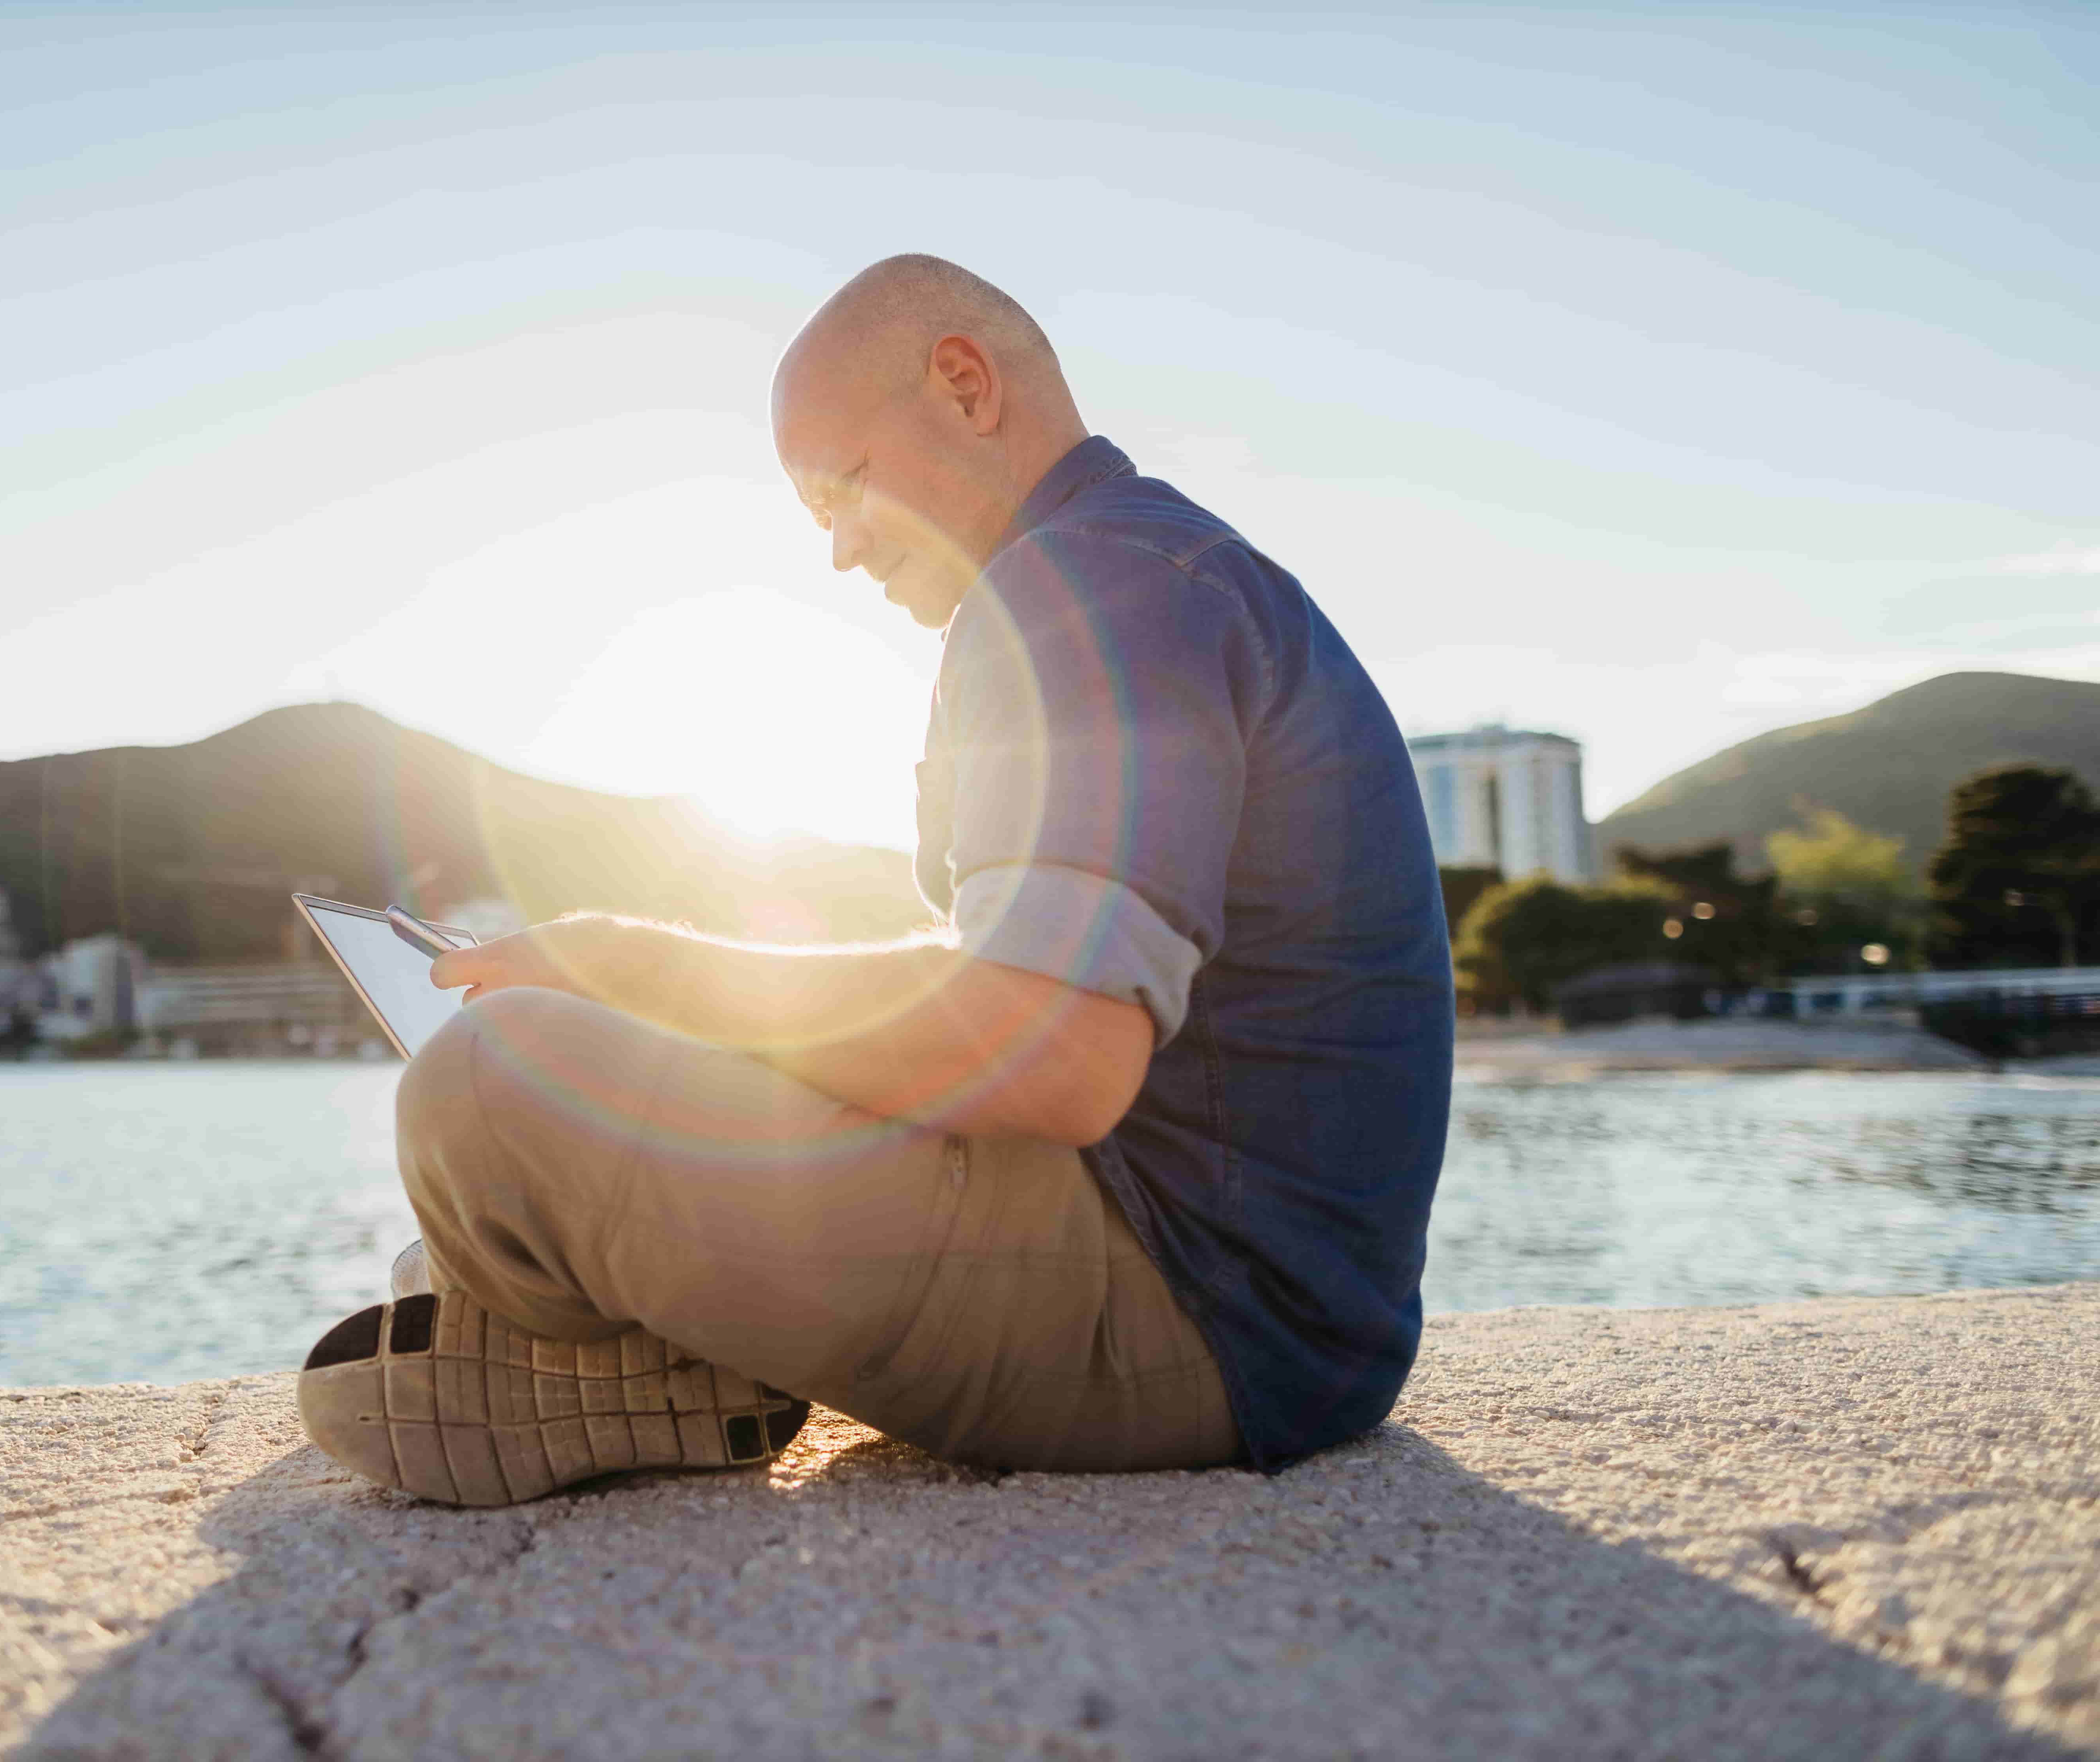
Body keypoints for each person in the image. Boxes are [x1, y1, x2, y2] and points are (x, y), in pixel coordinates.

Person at [297, 254, 1454, 1506]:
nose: (843, 551)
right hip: (1266, 1302)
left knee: (488, 1083)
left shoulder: (1094, 585)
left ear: (966, 384)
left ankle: (594, 1340)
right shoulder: (1135, 573)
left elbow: (1052, 1051)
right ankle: (584, 1323)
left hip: (1205, 1316)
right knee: (520, 1147)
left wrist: (638, 969)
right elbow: (988, 1015)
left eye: (843, 487)